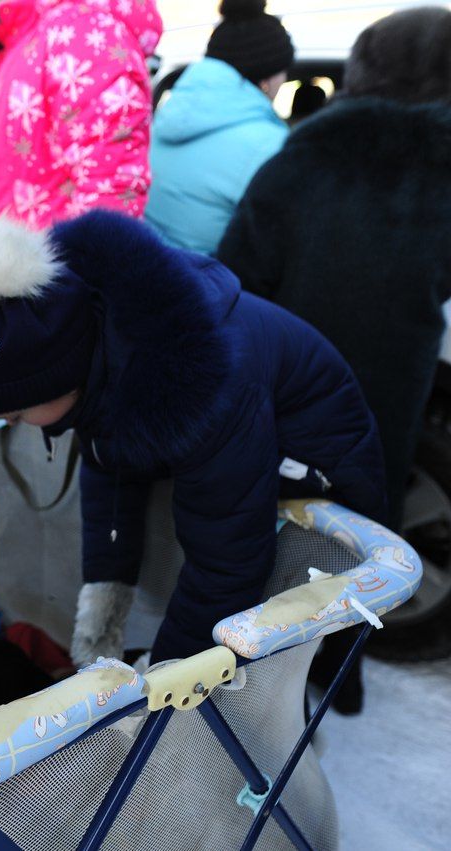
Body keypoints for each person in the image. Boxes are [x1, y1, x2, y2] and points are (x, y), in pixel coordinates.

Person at [0, 210, 386, 668]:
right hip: (248, 462)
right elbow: (108, 466)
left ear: (59, 378)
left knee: (285, 648)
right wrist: (101, 619)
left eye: (14, 411)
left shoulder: (200, 393)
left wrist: (164, 693)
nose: (9, 423)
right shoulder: (96, 347)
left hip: (319, 477)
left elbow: (226, 565)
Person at [218, 6, 451, 712]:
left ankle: (260, 684)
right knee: (363, 538)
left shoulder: (303, 154)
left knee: (272, 531)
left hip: (287, 381)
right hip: (388, 390)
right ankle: (340, 677)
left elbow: (236, 276)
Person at [0, 0, 163, 319]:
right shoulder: (17, 45)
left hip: (52, 313)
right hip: (19, 305)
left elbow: (111, 194)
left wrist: (53, 308)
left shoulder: (83, 31)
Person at [144, 0, 294, 255]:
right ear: (267, 78)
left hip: (151, 271)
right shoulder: (271, 146)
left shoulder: (167, 115)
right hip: (208, 287)